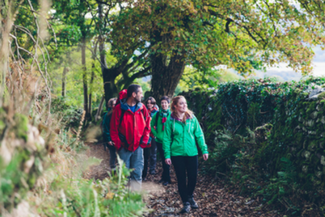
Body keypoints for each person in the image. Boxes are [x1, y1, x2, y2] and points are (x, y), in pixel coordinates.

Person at [163, 95, 209, 214]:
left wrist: (204, 150)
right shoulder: (170, 120)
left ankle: (190, 196)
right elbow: (166, 139)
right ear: (175, 106)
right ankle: (186, 202)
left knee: (193, 177)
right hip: (177, 154)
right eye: (182, 104)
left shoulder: (192, 118)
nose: (185, 105)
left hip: (192, 153)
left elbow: (199, 134)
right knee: (181, 179)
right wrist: (167, 155)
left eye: (185, 103)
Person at [110, 84, 151, 191]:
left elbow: (148, 124)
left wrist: (144, 141)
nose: (142, 96)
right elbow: (113, 129)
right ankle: (123, 201)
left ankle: (135, 200)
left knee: (137, 174)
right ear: (133, 94)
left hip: (138, 147)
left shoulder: (142, 108)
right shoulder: (119, 109)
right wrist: (119, 145)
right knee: (123, 175)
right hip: (124, 147)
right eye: (140, 93)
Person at [151, 96, 171, 186]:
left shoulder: (172, 114)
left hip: (169, 141)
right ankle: (165, 177)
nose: (163, 104)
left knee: (167, 159)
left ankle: (167, 178)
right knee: (164, 160)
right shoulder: (157, 114)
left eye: (165, 103)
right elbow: (151, 125)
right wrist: (156, 134)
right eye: (162, 103)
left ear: (168, 104)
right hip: (159, 141)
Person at [142, 97, 159, 181]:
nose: (149, 104)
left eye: (151, 103)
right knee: (146, 154)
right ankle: (144, 169)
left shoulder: (157, 112)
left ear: (153, 104)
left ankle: (152, 169)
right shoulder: (144, 111)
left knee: (153, 153)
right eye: (148, 103)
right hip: (146, 134)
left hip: (153, 135)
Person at [102, 98, 117, 169]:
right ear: (110, 105)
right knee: (113, 154)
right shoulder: (107, 115)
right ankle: (113, 170)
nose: (115, 106)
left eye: (116, 104)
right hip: (111, 138)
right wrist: (108, 139)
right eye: (113, 104)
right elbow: (105, 128)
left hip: (118, 138)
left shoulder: (119, 113)